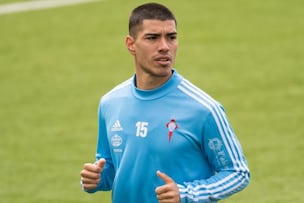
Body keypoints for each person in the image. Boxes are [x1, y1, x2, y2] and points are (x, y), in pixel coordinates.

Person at [80, 2, 250, 203]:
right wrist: (97, 178)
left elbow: (237, 172)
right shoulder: (110, 103)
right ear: (131, 44)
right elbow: (110, 165)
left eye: (171, 37)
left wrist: (188, 194)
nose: (164, 47)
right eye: (152, 38)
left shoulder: (203, 109)